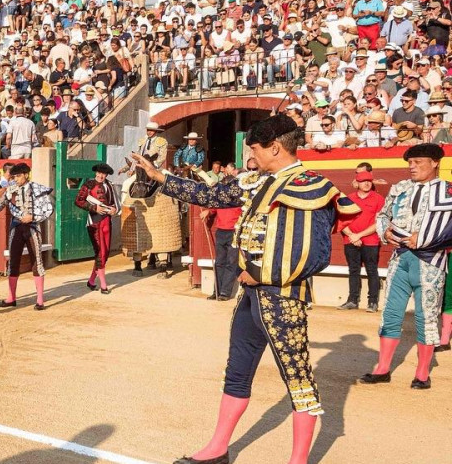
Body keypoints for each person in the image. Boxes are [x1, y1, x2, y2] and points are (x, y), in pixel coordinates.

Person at [133, 116, 359, 464]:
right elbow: (210, 193)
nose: (250, 155)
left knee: (298, 381)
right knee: (237, 369)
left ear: (275, 147)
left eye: (254, 148)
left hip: (283, 298)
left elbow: (312, 253)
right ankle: (218, 449)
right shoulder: (257, 182)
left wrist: (259, 273)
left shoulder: (309, 185)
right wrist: (159, 176)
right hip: (251, 297)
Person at [360, 143, 452, 390]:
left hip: (431, 262)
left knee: (426, 318)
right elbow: (382, 216)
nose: (412, 167)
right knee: (390, 314)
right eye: (410, 163)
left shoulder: (448, 190)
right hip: (400, 259)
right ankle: (382, 368)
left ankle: (422, 372)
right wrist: (385, 231)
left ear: (435, 162)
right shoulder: (400, 188)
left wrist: (424, 240)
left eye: (418, 162)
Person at [0, 163, 54, 308]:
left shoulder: (38, 188)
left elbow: (48, 208)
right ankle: (11, 298)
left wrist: (33, 217)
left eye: (18, 176)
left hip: (32, 228)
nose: (16, 179)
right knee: (13, 263)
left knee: (36, 262)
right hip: (16, 228)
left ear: (26, 174)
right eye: (14, 176)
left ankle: (39, 300)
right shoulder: (10, 190)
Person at [338, 170, 384, 312]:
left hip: (370, 240)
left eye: (369, 181)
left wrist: (359, 236)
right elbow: (340, 220)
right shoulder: (348, 198)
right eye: (363, 181)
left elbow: (379, 222)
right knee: (353, 270)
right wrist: (352, 235)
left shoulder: (378, 199)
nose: (366, 183)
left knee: (372, 270)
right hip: (350, 239)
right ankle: (352, 300)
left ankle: (373, 302)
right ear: (356, 183)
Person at [199, 163, 242, 301]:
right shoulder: (222, 198)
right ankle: (216, 291)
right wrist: (207, 211)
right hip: (221, 231)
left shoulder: (239, 199)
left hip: (234, 233)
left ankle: (224, 292)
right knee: (219, 262)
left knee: (230, 263)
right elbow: (214, 208)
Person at [75, 163, 119, 294]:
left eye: (103, 174)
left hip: (107, 221)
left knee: (105, 253)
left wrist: (113, 209)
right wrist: (94, 208)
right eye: (99, 173)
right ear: (96, 173)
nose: (100, 176)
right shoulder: (89, 185)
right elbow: (78, 200)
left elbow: (114, 203)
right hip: (94, 222)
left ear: (106, 175)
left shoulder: (110, 185)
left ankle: (92, 281)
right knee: (100, 252)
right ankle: (104, 285)